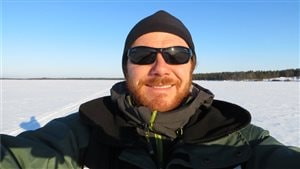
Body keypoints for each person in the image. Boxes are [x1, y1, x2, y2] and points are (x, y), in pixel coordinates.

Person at [1, 10, 299, 169]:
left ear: (191, 66)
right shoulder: (80, 135)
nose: (160, 68)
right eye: (142, 55)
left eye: (176, 55)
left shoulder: (244, 141)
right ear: (125, 66)